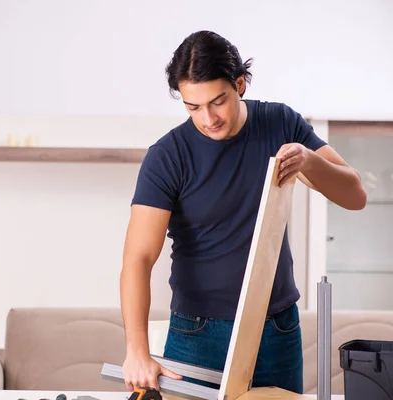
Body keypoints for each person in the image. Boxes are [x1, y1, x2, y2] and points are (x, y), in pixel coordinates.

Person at [119, 30, 367, 395]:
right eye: (193, 107)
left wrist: (309, 160)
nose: (208, 118)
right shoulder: (168, 156)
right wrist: (137, 350)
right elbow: (138, 258)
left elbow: (355, 195)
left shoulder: (280, 123)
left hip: (276, 328)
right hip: (197, 333)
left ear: (240, 83)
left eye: (217, 101)